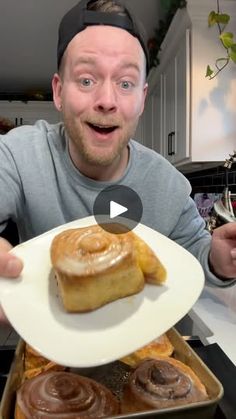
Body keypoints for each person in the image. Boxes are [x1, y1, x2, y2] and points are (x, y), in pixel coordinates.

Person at [0, 0, 235, 323]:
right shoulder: (19, 155)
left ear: (141, 99)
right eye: (86, 80)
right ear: (58, 92)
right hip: (52, 348)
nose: (107, 101)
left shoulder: (167, 184)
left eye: (125, 83)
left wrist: (217, 261)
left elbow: (194, 251)